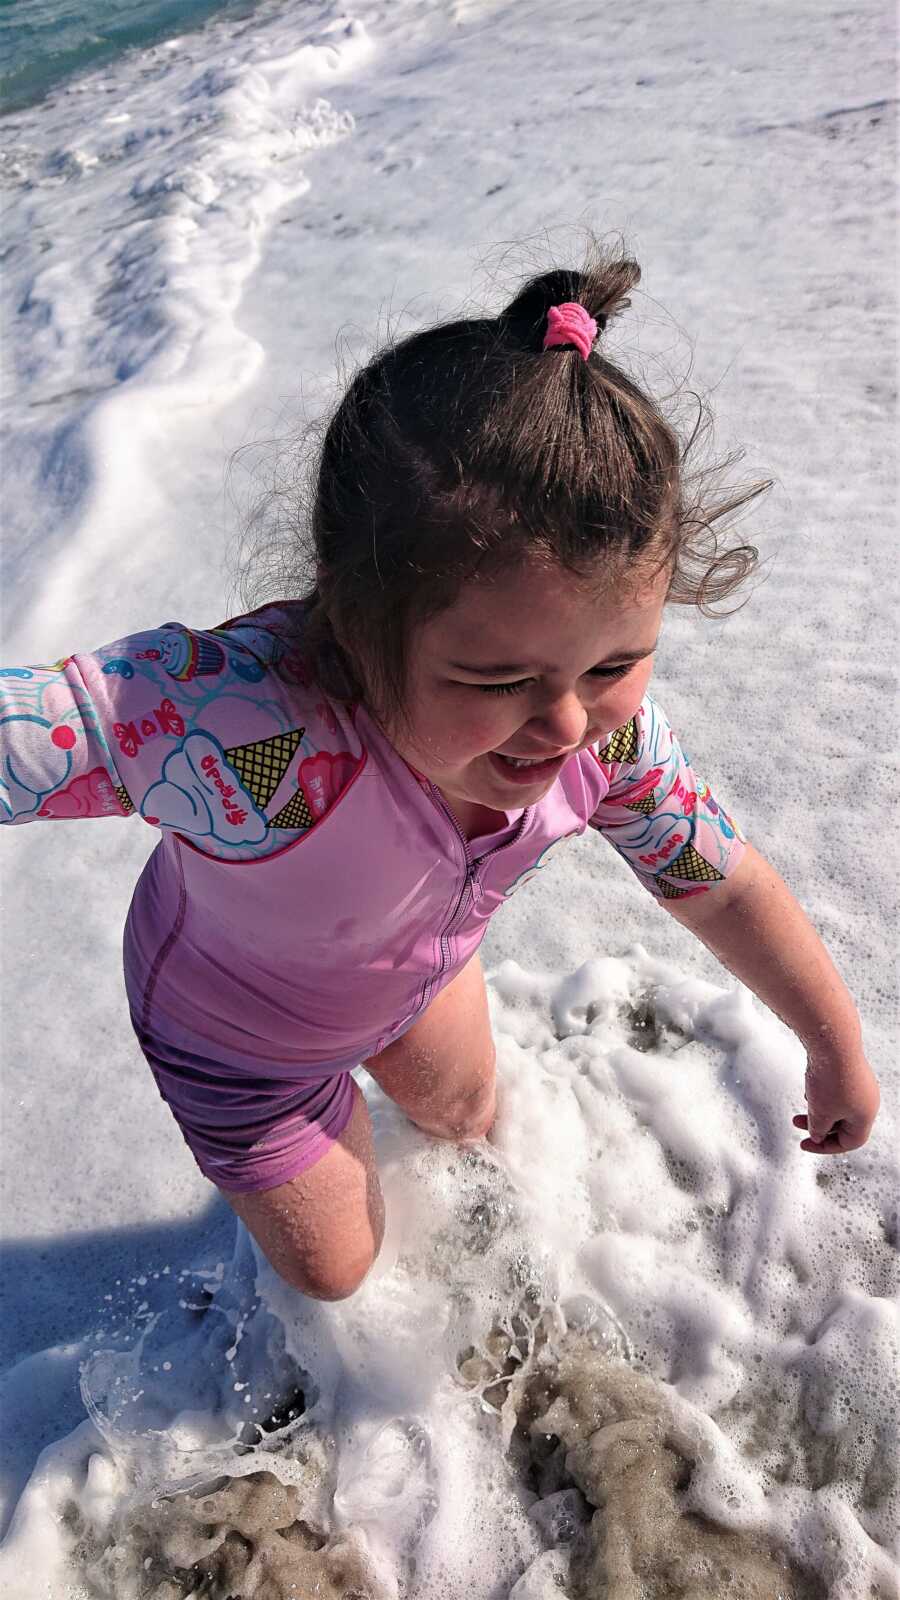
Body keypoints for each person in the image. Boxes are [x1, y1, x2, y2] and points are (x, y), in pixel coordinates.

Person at [0, 249, 880, 1303]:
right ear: (356, 612)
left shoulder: (610, 740)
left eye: (611, 663)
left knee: (468, 1119)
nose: (563, 721)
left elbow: (721, 880)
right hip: (239, 1039)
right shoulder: (245, 733)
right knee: (339, 1272)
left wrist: (832, 1039)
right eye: (497, 676)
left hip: (409, 969)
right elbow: (43, 727)